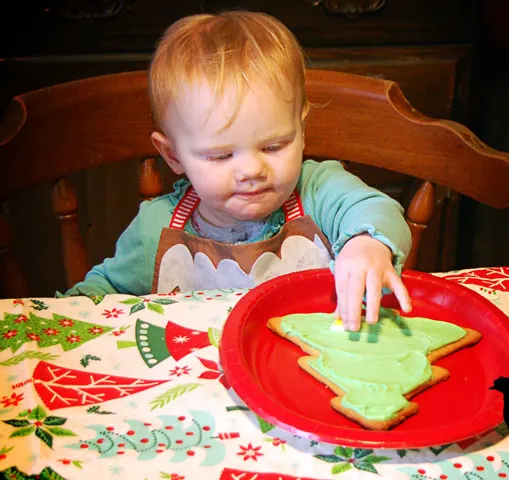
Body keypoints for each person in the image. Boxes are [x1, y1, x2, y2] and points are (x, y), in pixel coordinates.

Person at [65, 11, 413, 331]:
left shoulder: (318, 191)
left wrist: (366, 243)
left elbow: (375, 209)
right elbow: (99, 297)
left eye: (274, 146)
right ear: (173, 156)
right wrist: (66, 317)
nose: (251, 170)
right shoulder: (155, 230)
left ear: (302, 130)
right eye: (220, 156)